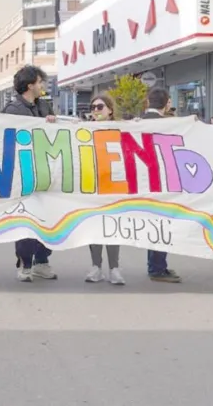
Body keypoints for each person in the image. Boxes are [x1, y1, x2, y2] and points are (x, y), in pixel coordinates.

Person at [3, 65, 58, 282]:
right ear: (29, 85)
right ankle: (25, 263)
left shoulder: (44, 106)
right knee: (27, 218)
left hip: (46, 171)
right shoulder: (13, 110)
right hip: (23, 173)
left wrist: (52, 124)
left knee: (48, 218)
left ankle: (42, 262)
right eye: (40, 82)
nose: (43, 85)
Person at [142, 87, 182, 283]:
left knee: (154, 225)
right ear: (167, 103)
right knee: (162, 225)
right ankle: (157, 268)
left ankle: (157, 266)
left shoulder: (136, 123)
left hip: (141, 181)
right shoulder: (170, 124)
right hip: (162, 181)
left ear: (147, 102)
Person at [85, 94, 125, 286]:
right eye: (92, 107)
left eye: (99, 107)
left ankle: (114, 268)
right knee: (94, 226)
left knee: (112, 227)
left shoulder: (123, 128)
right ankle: (96, 267)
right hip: (92, 184)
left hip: (114, 184)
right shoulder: (84, 130)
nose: (95, 110)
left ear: (110, 109)